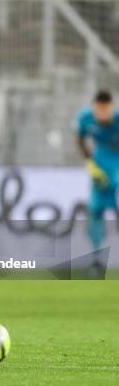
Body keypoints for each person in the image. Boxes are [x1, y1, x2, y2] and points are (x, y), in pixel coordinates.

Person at [76, 90, 119, 274]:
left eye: (105, 109)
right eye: (98, 109)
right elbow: (79, 139)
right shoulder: (86, 118)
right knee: (95, 212)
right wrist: (90, 163)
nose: (102, 113)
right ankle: (96, 259)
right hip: (100, 166)